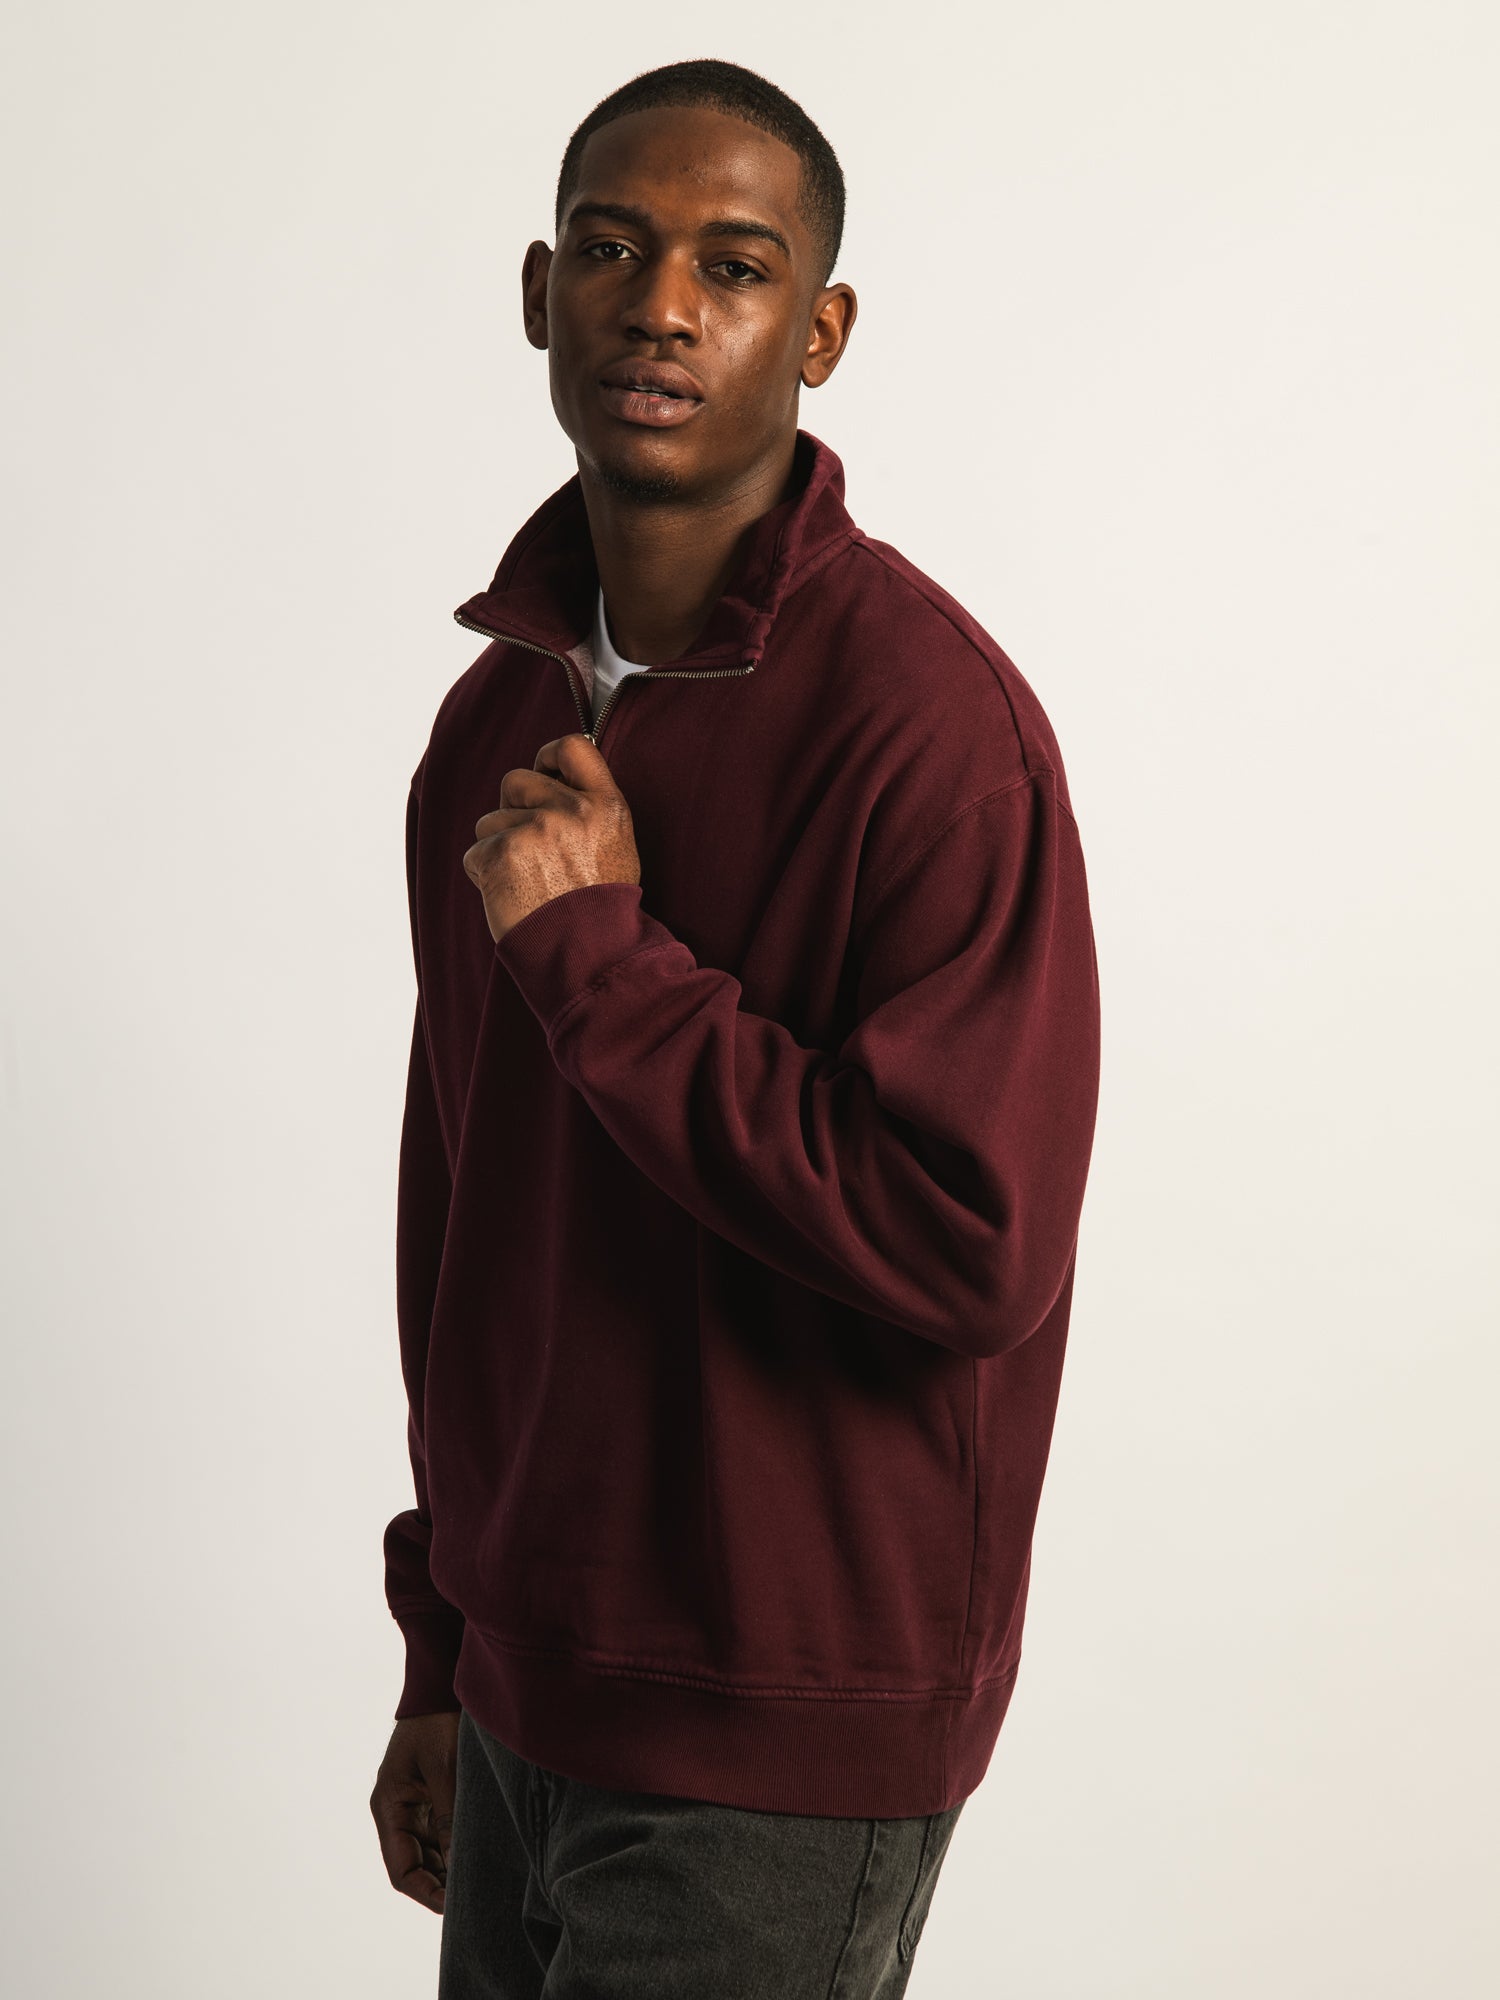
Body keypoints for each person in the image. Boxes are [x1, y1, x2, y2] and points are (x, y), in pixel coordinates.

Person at [368, 57, 1101, 1999]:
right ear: (543, 295)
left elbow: (972, 1242)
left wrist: (603, 962)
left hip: (780, 1726)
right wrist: (446, 1644)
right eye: (614, 251)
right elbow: (463, 1215)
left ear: (821, 332)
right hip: (525, 1687)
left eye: (735, 265)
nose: (664, 307)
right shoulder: (494, 724)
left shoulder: (931, 730)